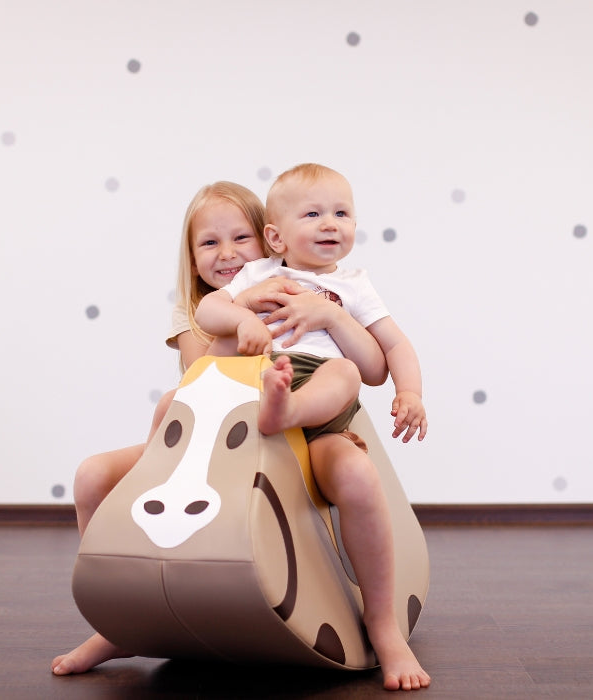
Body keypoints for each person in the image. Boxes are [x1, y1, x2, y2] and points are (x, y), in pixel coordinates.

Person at [51, 180, 386, 677]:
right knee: (92, 475)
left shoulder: (305, 291)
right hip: (208, 445)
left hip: (283, 436)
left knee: (352, 466)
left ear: (273, 244)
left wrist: (324, 318)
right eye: (209, 243)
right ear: (191, 259)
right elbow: (199, 386)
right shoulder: (201, 314)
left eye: (241, 240)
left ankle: (382, 626)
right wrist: (242, 311)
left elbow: (356, 367)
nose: (227, 254)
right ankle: (117, 619)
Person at [195, 163, 431, 691]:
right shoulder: (260, 275)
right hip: (259, 386)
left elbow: (390, 351)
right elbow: (211, 308)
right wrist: (243, 319)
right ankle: (277, 410)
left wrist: (409, 391)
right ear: (275, 236)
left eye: (342, 213)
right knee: (180, 403)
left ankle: (384, 628)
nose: (332, 223)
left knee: (344, 370)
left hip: (320, 402)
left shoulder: (353, 286)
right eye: (314, 214)